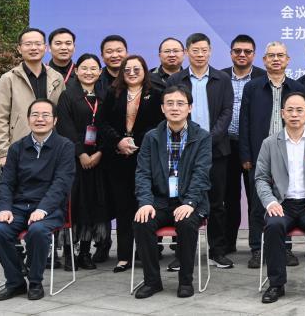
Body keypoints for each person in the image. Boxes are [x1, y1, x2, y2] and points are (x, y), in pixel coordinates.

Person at [0, 99, 75, 302]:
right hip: (18, 208)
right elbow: (6, 183)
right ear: (28, 119)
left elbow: (62, 183)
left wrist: (43, 209)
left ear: (55, 120)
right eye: (35, 115)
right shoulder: (17, 148)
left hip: (49, 208)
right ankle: (15, 282)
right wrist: (4, 208)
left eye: (45, 115)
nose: (40, 119)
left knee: (37, 231)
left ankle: (35, 282)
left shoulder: (64, 146)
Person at [132, 85, 212, 299]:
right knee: (142, 222)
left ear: (189, 108)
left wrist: (190, 202)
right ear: (162, 108)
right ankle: (152, 281)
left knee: (186, 223)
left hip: (189, 201)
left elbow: (201, 174)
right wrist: (145, 202)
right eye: (170, 103)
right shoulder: (151, 137)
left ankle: (185, 281)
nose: (175, 108)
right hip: (158, 201)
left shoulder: (202, 137)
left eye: (180, 103)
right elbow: (142, 173)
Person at [255, 92, 305, 304]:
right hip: (282, 204)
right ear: (282, 113)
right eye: (289, 110)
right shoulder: (269, 143)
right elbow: (261, 178)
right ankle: (276, 284)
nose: (294, 114)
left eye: (299, 110)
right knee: (273, 226)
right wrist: (270, 202)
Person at [168, 33, 235, 268]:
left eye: (204, 50)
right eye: (195, 50)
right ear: (187, 52)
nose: (200, 54)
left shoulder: (222, 78)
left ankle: (217, 251)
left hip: (216, 150)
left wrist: (208, 140)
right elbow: (170, 111)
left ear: (210, 51)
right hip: (181, 150)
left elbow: (227, 112)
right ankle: (182, 253)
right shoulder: (176, 79)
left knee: (217, 202)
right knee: (181, 200)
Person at [239, 41, 304, 269]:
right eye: (271, 56)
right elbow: (244, 122)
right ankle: (257, 249)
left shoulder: (297, 87)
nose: (276, 59)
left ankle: (284, 248)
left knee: (286, 203)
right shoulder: (252, 87)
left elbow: (304, 122)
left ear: (288, 60)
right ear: (264, 60)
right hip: (260, 156)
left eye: (280, 55)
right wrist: (246, 155)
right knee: (258, 205)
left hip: (290, 155)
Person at [99, 54, 165, 273]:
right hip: (118, 159)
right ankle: (124, 256)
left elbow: (159, 125)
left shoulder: (156, 94)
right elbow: (102, 122)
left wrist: (136, 141)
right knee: (123, 208)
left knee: (145, 205)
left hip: (145, 158)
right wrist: (118, 141)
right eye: (127, 70)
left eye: (137, 69)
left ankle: (147, 253)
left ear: (145, 71)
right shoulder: (113, 93)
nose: (132, 73)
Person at [56, 54, 109, 270]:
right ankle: (70, 252)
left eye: (93, 68)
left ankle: (86, 252)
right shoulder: (67, 96)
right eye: (84, 68)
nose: (89, 72)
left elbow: (109, 126)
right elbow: (65, 127)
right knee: (74, 206)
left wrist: (100, 152)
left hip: (98, 160)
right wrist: (81, 153)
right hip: (73, 159)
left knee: (92, 204)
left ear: (100, 72)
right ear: (76, 71)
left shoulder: (105, 95)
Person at [221, 35, 266, 257]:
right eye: (237, 51)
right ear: (231, 53)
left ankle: (257, 244)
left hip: (255, 146)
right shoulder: (219, 77)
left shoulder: (263, 77)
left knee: (256, 197)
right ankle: (228, 242)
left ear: (254, 55)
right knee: (229, 197)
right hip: (225, 145)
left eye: (247, 51)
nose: (242, 55)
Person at [0, 28, 65, 166]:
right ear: (19, 48)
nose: (33, 48)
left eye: (38, 44)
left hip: (52, 147)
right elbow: (0, 116)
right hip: (20, 147)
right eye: (28, 44)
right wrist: (3, 152)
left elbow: (62, 114)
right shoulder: (9, 78)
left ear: (45, 47)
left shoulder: (57, 78)